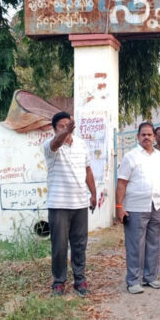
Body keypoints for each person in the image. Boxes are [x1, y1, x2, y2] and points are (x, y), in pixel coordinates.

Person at [43, 111, 97, 297]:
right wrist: (64, 133)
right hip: (59, 204)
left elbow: (88, 170)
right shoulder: (51, 147)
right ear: (54, 128)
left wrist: (93, 193)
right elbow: (56, 142)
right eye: (61, 126)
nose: (66, 129)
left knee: (80, 244)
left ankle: (79, 279)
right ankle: (58, 282)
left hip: (80, 203)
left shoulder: (81, 144)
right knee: (59, 246)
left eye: (68, 125)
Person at [115, 123, 160, 294]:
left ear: (154, 137)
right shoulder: (130, 157)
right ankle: (133, 281)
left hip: (158, 205)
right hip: (137, 207)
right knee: (135, 245)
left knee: (154, 243)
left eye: (149, 134)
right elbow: (122, 183)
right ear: (138, 137)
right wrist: (119, 207)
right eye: (143, 135)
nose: (147, 137)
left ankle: (150, 277)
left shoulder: (159, 156)